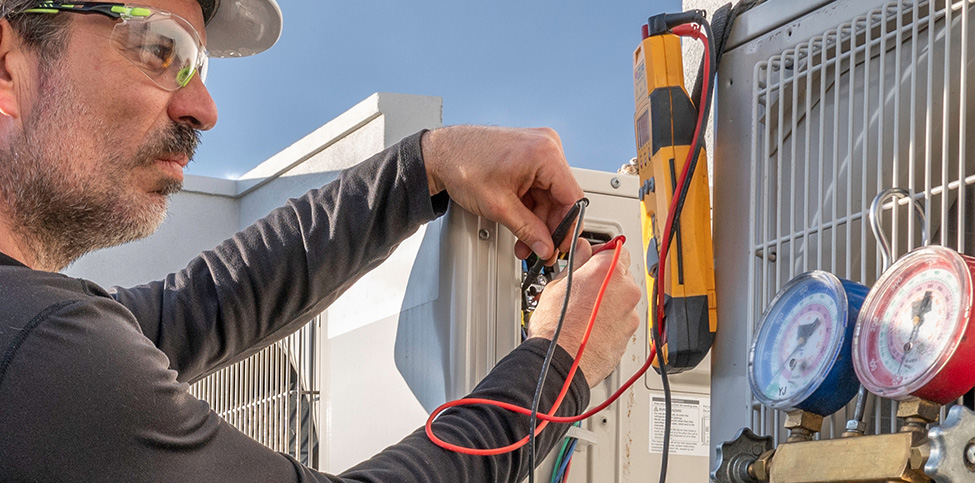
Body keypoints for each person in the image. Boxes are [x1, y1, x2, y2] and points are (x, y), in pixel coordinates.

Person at [0, 0, 641, 481]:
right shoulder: (40, 348)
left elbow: (204, 304)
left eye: (195, 64)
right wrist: (560, 366)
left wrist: (427, 165)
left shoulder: (31, 332)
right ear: (7, 66)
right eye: (159, 49)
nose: (203, 106)